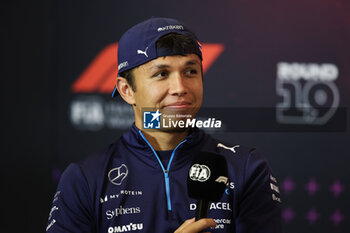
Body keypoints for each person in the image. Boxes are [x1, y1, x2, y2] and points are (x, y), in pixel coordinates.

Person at [46, 17, 282, 233]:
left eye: (190, 71)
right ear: (127, 90)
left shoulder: (246, 168)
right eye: (161, 74)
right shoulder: (85, 179)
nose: (180, 87)